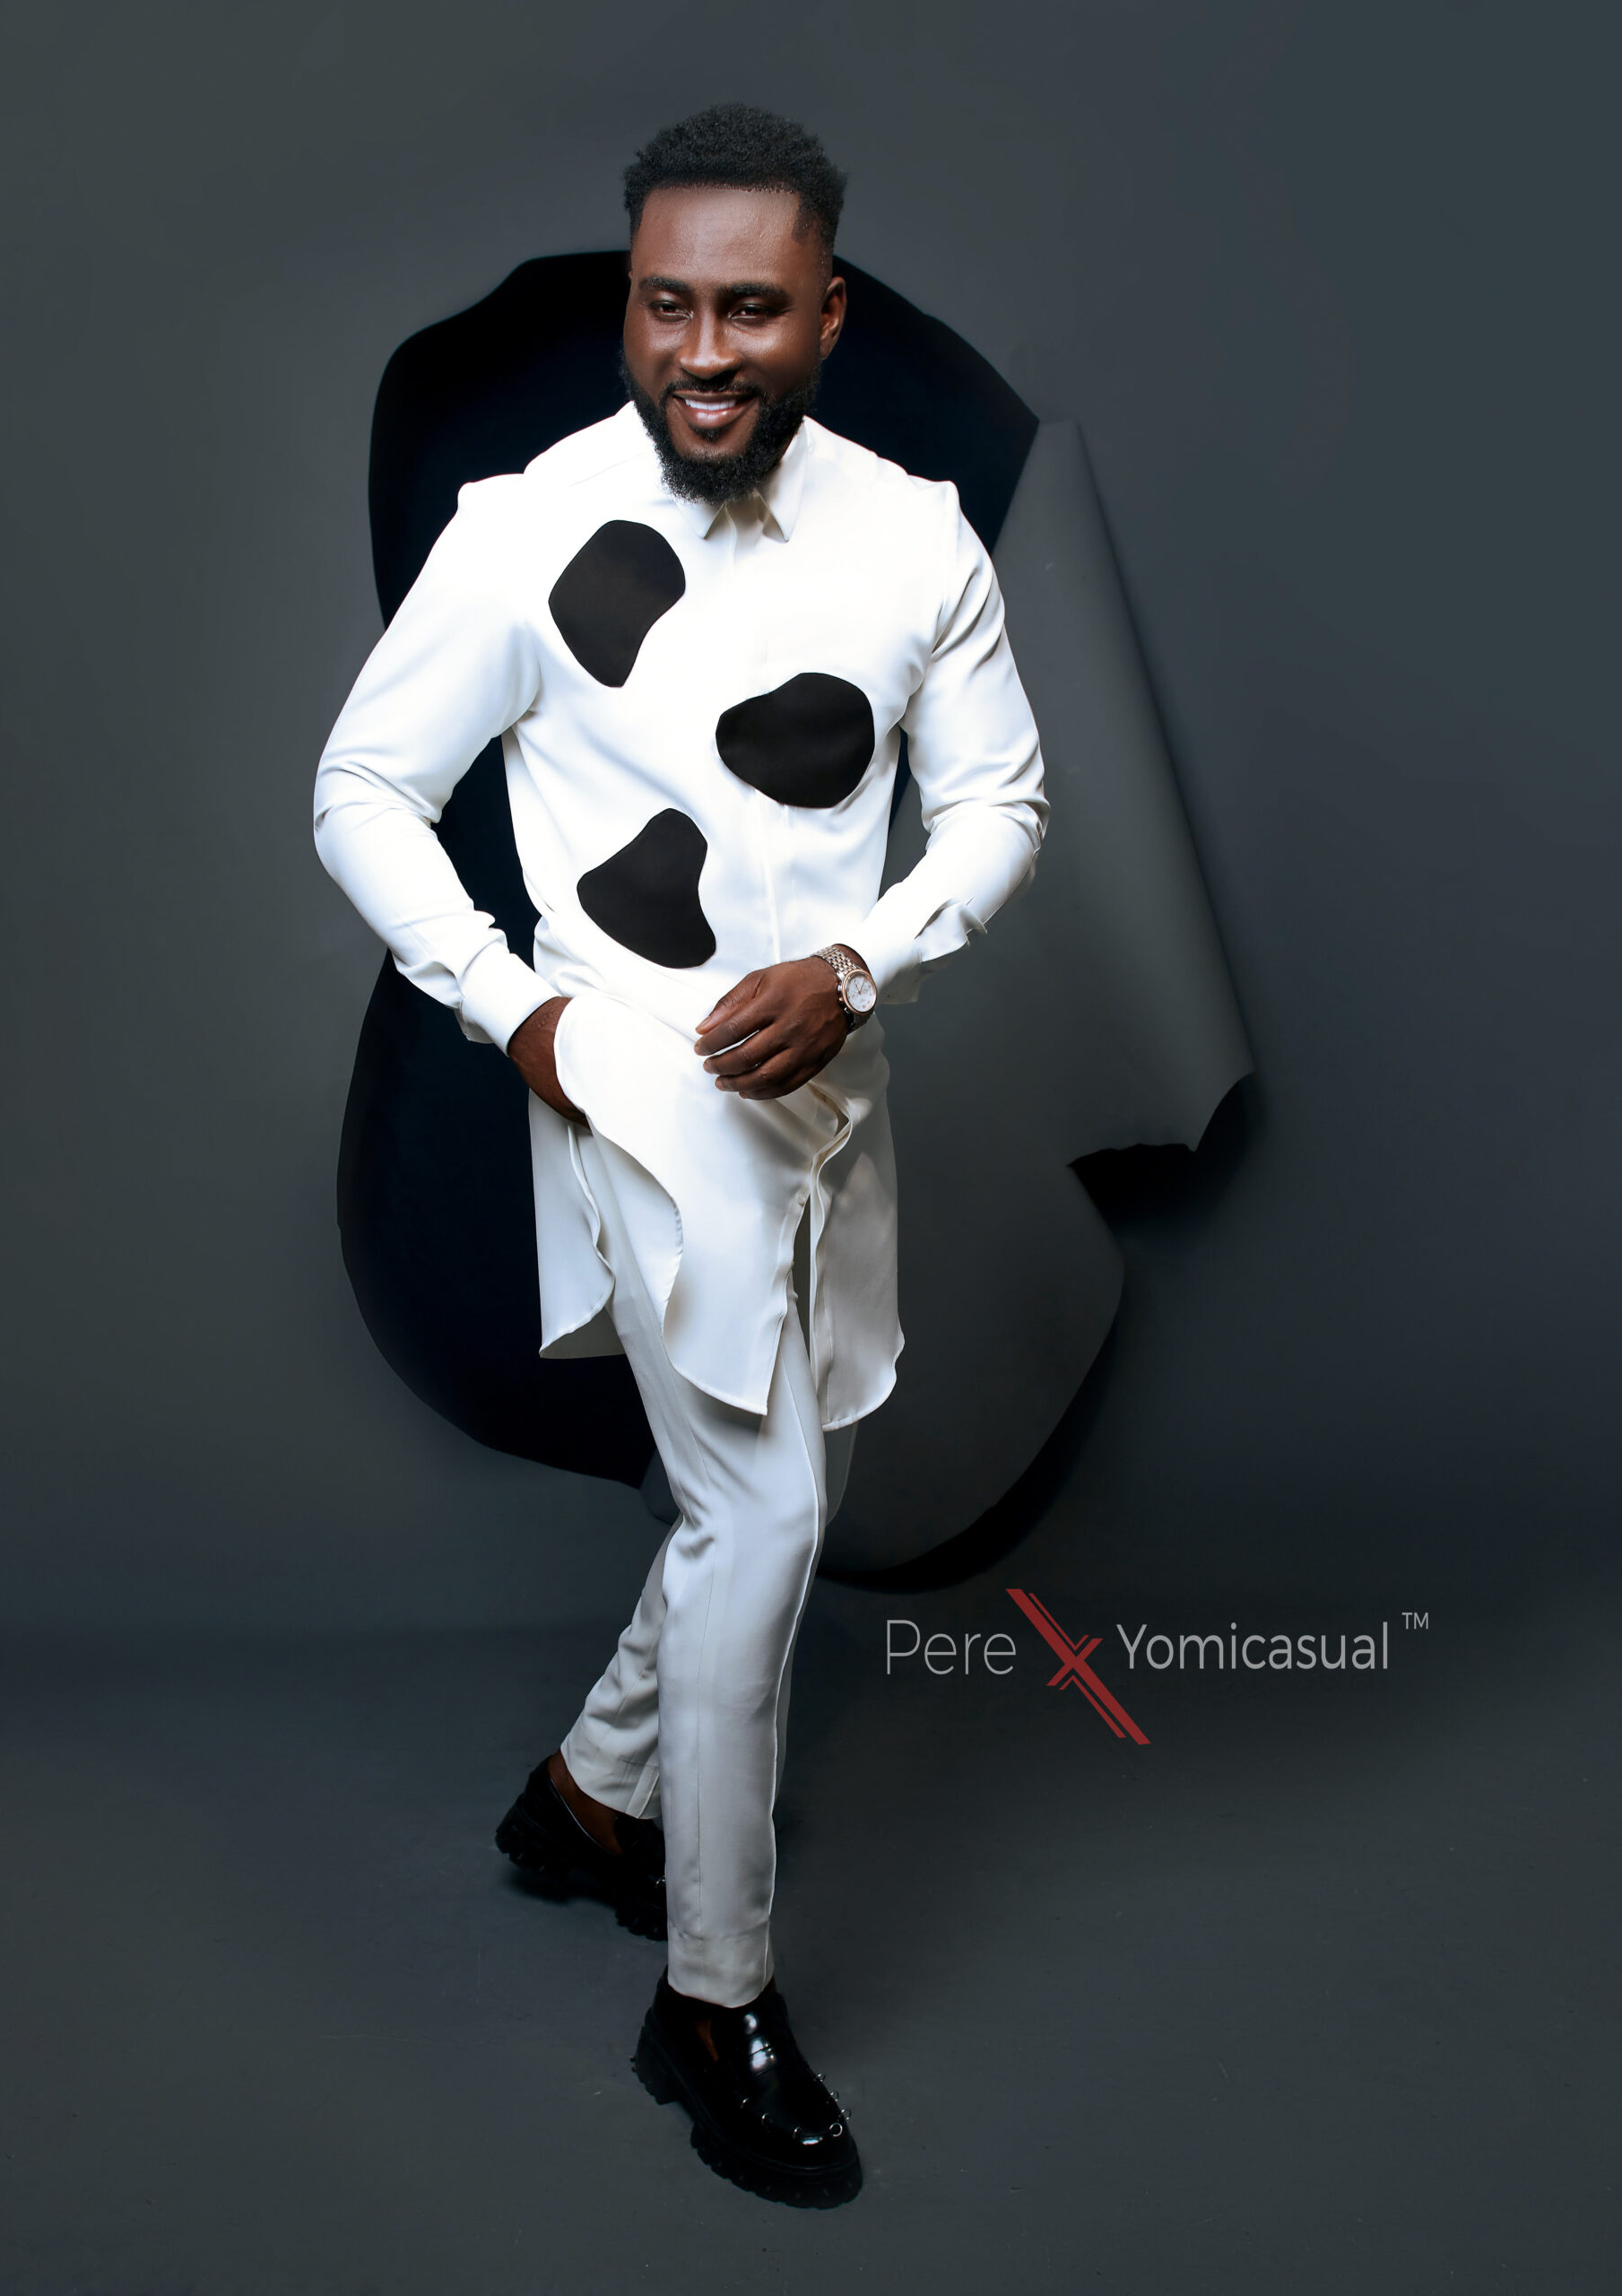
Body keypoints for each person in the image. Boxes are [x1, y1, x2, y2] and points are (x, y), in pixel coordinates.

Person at [314, 103, 1046, 2201]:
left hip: (828, 1080)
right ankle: (712, 1995)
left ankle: (585, 1795)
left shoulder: (916, 538)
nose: (701, 351)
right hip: (631, 1070)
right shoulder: (523, 525)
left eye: (747, 307)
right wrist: (517, 1009)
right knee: (763, 1508)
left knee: (806, 1462)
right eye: (664, 304)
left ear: (825, 316)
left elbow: (999, 803)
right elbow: (363, 784)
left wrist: (862, 957)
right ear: (628, 305)